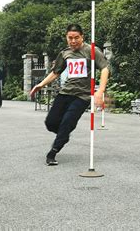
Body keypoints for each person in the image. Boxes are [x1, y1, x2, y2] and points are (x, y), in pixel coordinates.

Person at [30, 24, 110, 166]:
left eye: (76, 38)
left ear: (82, 37)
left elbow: (104, 68)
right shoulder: (65, 53)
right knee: (50, 123)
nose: (73, 41)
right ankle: (64, 135)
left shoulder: (91, 50)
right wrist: (41, 84)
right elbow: (56, 72)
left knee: (67, 122)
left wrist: (100, 91)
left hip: (82, 95)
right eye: (70, 38)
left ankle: (53, 152)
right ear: (67, 38)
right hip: (66, 92)